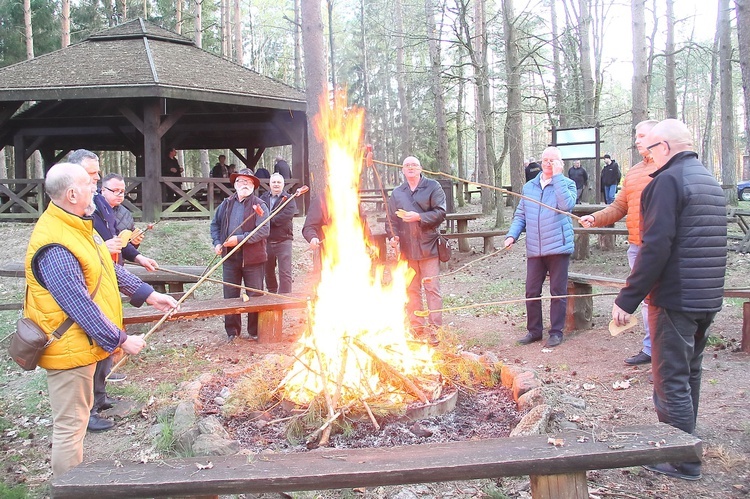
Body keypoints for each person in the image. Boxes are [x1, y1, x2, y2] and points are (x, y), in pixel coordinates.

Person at [25, 162, 177, 476]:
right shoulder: (55, 241)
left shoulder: (78, 224)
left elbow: (106, 269)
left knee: (75, 423)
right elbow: (78, 303)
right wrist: (122, 340)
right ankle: (70, 489)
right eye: (89, 183)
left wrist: (147, 294)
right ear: (71, 193)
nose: (95, 187)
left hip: (82, 344)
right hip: (68, 349)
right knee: (71, 427)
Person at [611, 119, 726, 481]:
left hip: (676, 298)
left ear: (663, 147)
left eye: (649, 149)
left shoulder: (667, 181)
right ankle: (686, 443)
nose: (646, 156)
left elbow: (655, 246)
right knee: (689, 372)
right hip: (706, 297)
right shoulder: (708, 180)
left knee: (670, 379)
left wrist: (628, 298)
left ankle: (682, 459)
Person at [69, 151, 159, 433]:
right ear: (72, 181)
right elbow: (79, 299)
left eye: (97, 174)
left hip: (108, 278)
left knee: (103, 346)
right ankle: (88, 411)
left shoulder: (97, 205)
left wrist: (139, 261)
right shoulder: (70, 221)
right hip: (88, 289)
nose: (95, 179)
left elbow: (116, 244)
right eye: (91, 175)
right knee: (92, 343)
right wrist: (122, 339)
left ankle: (101, 395)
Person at [580, 120, 658, 366]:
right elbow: (618, 206)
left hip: (661, 247)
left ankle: (666, 351)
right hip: (637, 246)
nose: (637, 140)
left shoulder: (668, 168)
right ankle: (650, 349)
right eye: (636, 135)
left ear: (658, 137)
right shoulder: (634, 172)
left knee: (661, 300)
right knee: (647, 299)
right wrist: (594, 218)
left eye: (642, 135)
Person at [505, 146, 577, 348]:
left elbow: (566, 206)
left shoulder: (567, 184)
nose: (548, 163)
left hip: (558, 247)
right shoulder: (529, 187)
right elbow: (521, 215)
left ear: (560, 163)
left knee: (558, 291)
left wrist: (558, 178)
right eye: (545, 160)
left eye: (552, 160)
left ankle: (556, 332)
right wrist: (512, 235)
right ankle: (534, 331)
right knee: (531, 291)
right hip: (535, 249)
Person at [386, 156, 447, 340]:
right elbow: (391, 220)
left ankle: (436, 329)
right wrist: (392, 236)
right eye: (407, 165)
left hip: (428, 247)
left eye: (414, 165)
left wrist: (419, 217)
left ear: (420, 168)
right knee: (411, 289)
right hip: (406, 250)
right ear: (403, 170)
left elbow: (441, 212)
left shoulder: (433, 186)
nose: (410, 167)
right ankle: (416, 328)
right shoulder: (397, 193)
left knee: (431, 289)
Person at [210, 168, 270, 341]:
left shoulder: (260, 205)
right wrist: (217, 243)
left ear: (253, 185)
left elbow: (264, 230)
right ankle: (232, 332)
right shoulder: (226, 204)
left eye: (248, 182)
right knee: (230, 296)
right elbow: (215, 225)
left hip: (253, 259)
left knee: (255, 296)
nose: (245, 184)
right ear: (235, 184)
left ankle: (255, 331)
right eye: (241, 181)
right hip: (230, 258)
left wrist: (240, 239)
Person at [260, 173, 297, 293]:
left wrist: (268, 220)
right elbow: (259, 214)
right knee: (268, 270)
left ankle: (285, 298)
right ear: (270, 184)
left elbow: (286, 216)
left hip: (283, 240)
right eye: (274, 182)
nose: (276, 184)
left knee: (285, 272)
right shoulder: (262, 198)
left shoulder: (289, 199)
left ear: (283, 184)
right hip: (267, 240)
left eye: (278, 182)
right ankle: (272, 293)